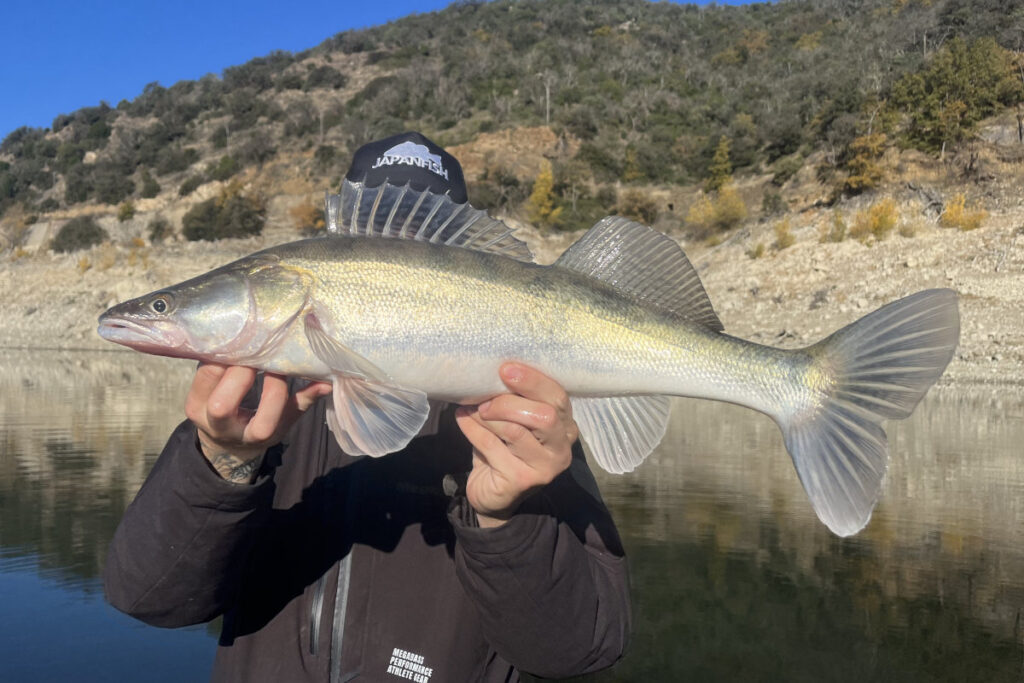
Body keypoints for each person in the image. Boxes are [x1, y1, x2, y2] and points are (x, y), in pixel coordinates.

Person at [103, 132, 631, 682]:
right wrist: (222, 463)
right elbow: (148, 598)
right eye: (375, 232)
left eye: (420, 233)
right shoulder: (258, 412)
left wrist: (507, 518)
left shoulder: (526, 429)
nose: (397, 254)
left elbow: (581, 650)